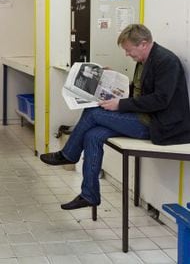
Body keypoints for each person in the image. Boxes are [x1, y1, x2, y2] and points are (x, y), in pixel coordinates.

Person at [40, 24, 190, 210]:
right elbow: (138, 93)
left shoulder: (166, 61)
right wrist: (110, 82)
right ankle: (89, 194)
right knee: (92, 135)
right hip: (143, 116)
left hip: (158, 125)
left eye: (129, 50)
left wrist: (120, 104)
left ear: (143, 44)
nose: (127, 55)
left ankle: (69, 154)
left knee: (93, 112)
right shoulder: (145, 60)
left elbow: (160, 100)